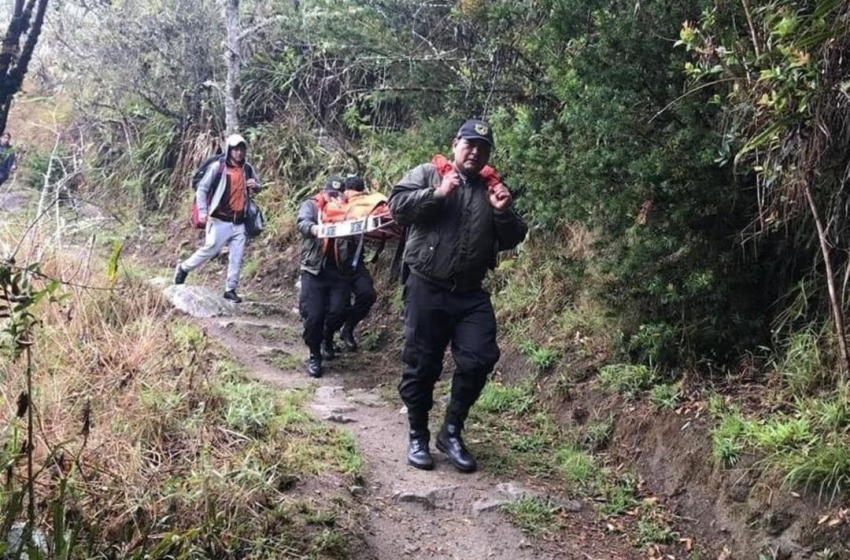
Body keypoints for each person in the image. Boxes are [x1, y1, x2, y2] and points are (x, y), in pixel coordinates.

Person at [389, 119, 527, 472]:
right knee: (422, 364)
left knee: (481, 356)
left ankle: (451, 430)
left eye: (483, 147)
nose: (476, 152)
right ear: (455, 144)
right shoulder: (427, 174)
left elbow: (513, 237)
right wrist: (436, 194)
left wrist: (503, 212)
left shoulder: (493, 188)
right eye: (470, 144)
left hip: (469, 293)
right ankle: (418, 432)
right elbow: (398, 208)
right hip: (425, 285)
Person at [173, 134, 261, 303]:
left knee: (237, 256)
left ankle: (230, 289)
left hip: (239, 221)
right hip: (219, 219)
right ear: (229, 149)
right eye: (235, 149)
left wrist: (255, 186)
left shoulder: (247, 169)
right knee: (210, 249)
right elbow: (202, 189)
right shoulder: (218, 167)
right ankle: (184, 268)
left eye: (241, 149)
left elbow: (258, 186)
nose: (239, 153)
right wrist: (203, 211)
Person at [296, 177, 353, 377]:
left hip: (338, 270)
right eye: (331, 195)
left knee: (340, 310)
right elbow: (302, 223)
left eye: (338, 195)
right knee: (313, 316)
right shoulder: (311, 205)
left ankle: (328, 337)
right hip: (314, 270)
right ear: (324, 192)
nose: (334, 198)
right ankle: (314, 354)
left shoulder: (349, 211)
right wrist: (315, 229)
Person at [337, 175, 378, 352]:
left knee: (367, 294)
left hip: (355, 262)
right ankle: (325, 338)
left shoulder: (365, 206)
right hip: (334, 263)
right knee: (336, 304)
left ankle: (348, 328)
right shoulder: (335, 206)